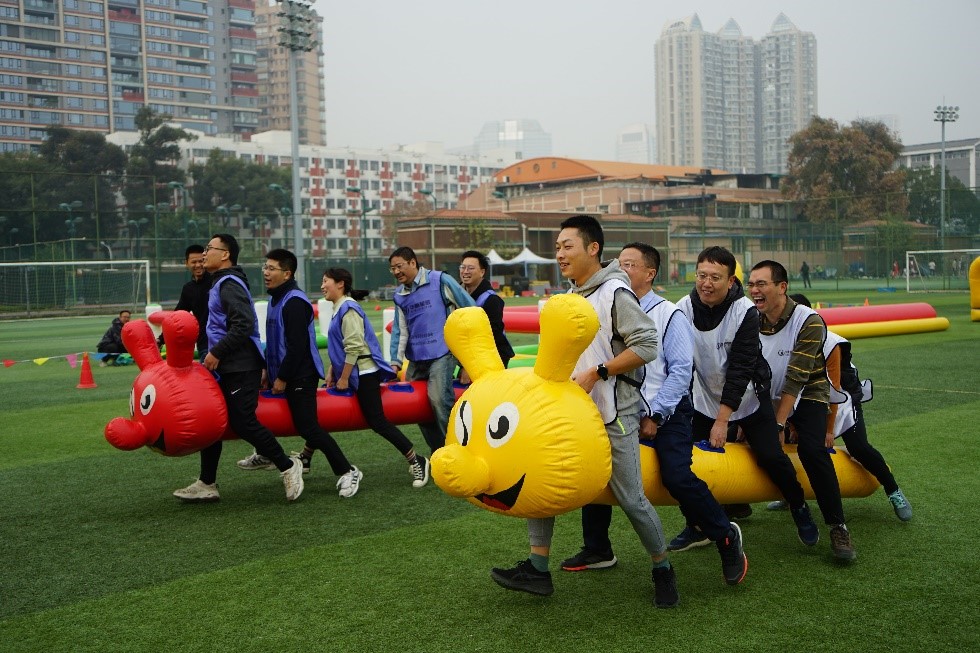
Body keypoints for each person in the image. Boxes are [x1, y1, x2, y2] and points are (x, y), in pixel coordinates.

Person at [490, 216, 678, 608]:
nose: (559, 254)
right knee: (538, 474)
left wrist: (598, 372)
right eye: (557, 247)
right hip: (571, 413)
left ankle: (663, 569)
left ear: (593, 249)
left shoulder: (615, 292)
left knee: (631, 499)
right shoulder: (570, 295)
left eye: (567, 246)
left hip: (614, 413)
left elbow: (647, 345)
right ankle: (537, 569)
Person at [560, 242, 747, 587]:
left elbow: (680, 373)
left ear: (650, 273)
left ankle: (724, 535)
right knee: (596, 465)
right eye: (619, 263)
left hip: (667, 412)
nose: (621, 270)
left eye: (630, 265)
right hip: (618, 408)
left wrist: (656, 416)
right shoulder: (606, 304)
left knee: (676, 476)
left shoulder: (667, 314)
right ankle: (597, 548)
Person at [671, 246, 820, 553]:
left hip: (750, 399)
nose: (706, 283)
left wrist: (722, 421)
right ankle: (697, 525)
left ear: (730, 281)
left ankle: (798, 505)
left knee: (770, 457)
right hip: (704, 399)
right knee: (687, 464)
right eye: (701, 275)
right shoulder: (682, 308)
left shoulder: (745, 312)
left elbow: (740, 370)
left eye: (715, 277)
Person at [172, 234, 304, 503]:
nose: (204, 253)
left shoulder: (229, 284)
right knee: (211, 420)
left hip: (240, 366)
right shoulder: (219, 282)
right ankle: (207, 483)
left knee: (243, 421)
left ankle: (288, 466)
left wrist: (216, 352)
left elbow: (243, 324)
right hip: (226, 366)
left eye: (209, 248)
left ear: (225, 255)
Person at [768, 294, 912, 521]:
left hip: (841, 402)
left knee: (858, 447)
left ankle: (892, 490)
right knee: (790, 446)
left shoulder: (830, 343)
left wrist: (828, 430)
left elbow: (833, 389)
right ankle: (791, 496)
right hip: (803, 400)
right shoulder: (777, 338)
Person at [748, 260, 856, 561]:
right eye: (751, 284)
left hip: (809, 392)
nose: (754, 290)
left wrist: (779, 423)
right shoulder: (749, 318)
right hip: (768, 392)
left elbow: (796, 378)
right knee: (750, 445)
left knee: (812, 450)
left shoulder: (809, 320)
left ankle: (838, 526)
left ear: (782, 287)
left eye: (762, 284)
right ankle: (780, 503)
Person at [236, 250, 363, 497]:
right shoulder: (276, 299)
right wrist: (267, 370)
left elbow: (297, 347)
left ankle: (348, 471)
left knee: (308, 428)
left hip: (300, 375)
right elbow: (274, 341)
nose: (265, 272)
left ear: (287, 274)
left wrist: (282, 377)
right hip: (285, 372)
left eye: (271, 268)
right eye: (265, 267)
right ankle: (265, 454)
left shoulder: (294, 301)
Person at [320, 266, 430, 488]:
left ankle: (416, 460)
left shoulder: (348, 308)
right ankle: (305, 457)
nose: (322, 286)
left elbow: (354, 346)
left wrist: (344, 378)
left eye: (325, 281)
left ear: (340, 284)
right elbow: (340, 345)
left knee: (378, 422)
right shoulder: (340, 307)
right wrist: (333, 370)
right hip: (356, 372)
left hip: (363, 373)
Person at [388, 246, 474, 454]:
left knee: (439, 400)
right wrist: (395, 363)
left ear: (412, 263)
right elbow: (400, 330)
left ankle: (458, 452)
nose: (396, 272)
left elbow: (470, 312)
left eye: (399, 266)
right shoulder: (399, 295)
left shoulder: (441, 280)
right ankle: (439, 452)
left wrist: (468, 362)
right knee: (417, 406)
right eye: (392, 268)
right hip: (416, 359)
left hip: (442, 353)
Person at [458, 250, 514, 379]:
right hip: (468, 355)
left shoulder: (491, 300)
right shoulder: (457, 293)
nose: (465, 271)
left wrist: (470, 367)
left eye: (470, 268)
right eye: (463, 267)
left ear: (482, 272)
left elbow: (491, 336)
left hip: (493, 356)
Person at [158, 245, 210, 356]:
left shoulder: (217, 281)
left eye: (201, 261)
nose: (198, 265)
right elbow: (177, 316)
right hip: (204, 344)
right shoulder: (188, 289)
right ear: (186, 263)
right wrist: (161, 339)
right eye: (194, 262)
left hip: (221, 342)